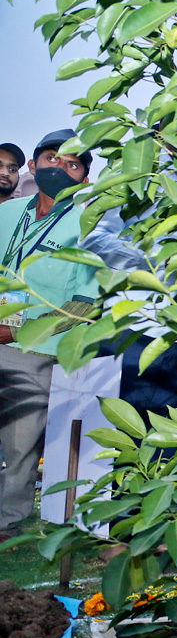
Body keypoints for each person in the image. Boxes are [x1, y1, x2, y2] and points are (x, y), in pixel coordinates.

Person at [0, 129, 98, 538]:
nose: (59, 168)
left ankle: (7, 521)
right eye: (52, 159)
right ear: (32, 166)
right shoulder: (7, 213)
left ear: (85, 179)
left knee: (19, 445)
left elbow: (84, 305)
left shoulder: (90, 224)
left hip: (35, 352)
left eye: (72, 164)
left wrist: (17, 329)